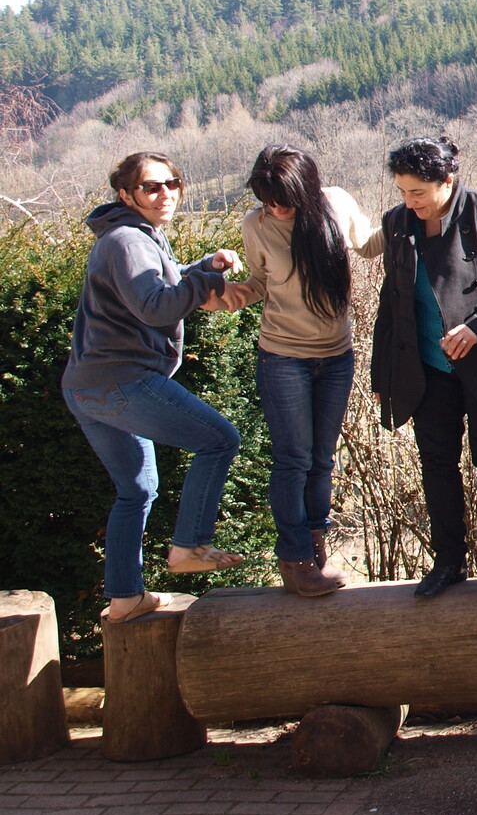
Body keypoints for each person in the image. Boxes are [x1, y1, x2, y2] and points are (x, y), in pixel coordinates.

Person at [62, 152, 246, 624]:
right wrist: (206, 281)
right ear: (126, 195)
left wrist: (204, 266)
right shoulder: (128, 240)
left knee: (136, 490)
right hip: (120, 382)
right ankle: (189, 548)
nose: (165, 194)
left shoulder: (135, 235)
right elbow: (155, 306)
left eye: (172, 183)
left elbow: (163, 280)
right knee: (219, 439)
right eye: (151, 187)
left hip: (87, 388)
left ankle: (126, 598)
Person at [372, 136, 477, 600]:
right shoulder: (396, 223)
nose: (410, 202)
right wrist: (381, 374)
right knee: (437, 467)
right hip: (426, 369)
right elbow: (392, 304)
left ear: (448, 180)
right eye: (403, 192)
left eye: (418, 192)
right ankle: (448, 561)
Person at [230, 145, 384, 597]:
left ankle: (318, 552)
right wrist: (229, 293)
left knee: (321, 460)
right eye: (267, 200)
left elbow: (369, 245)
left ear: (307, 189)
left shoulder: (335, 204)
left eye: (284, 200)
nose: (276, 209)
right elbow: (261, 283)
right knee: (293, 459)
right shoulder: (256, 225)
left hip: (337, 355)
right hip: (282, 356)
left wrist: (414, 213)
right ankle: (295, 559)